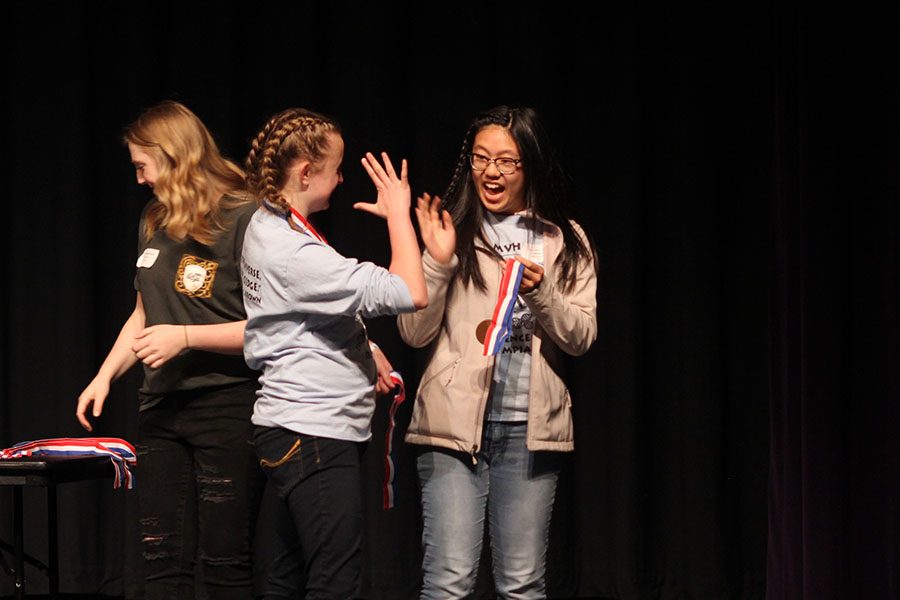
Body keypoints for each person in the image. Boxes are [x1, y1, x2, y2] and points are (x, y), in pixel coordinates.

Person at [398, 105, 598, 599]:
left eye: (507, 161)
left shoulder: (563, 240)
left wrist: (542, 293)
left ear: (530, 164)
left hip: (528, 434)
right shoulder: (452, 230)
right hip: (452, 428)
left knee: (522, 584)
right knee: (448, 583)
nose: (492, 171)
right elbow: (413, 332)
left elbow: (581, 336)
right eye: (482, 158)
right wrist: (439, 264)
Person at [75, 100, 264, 600]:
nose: (138, 179)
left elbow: (271, 327)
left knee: (225, 560)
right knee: (162, 563)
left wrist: (183, 337)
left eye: (143, 165)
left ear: (174, 155)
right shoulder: (153, 218)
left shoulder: (244, 217)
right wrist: (103, 377)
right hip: (161, 407)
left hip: (227, 403)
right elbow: (143, 314)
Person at [240, 107, 427, 599]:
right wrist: (398, 216)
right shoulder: (293, 252)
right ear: (306, 172)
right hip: (313, 434)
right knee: (334, 580)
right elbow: (410, 291)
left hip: (292, 428)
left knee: (288, 573)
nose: (342, 179)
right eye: (336, 169)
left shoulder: (266, 223)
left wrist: (364, 349)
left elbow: (297, 314)